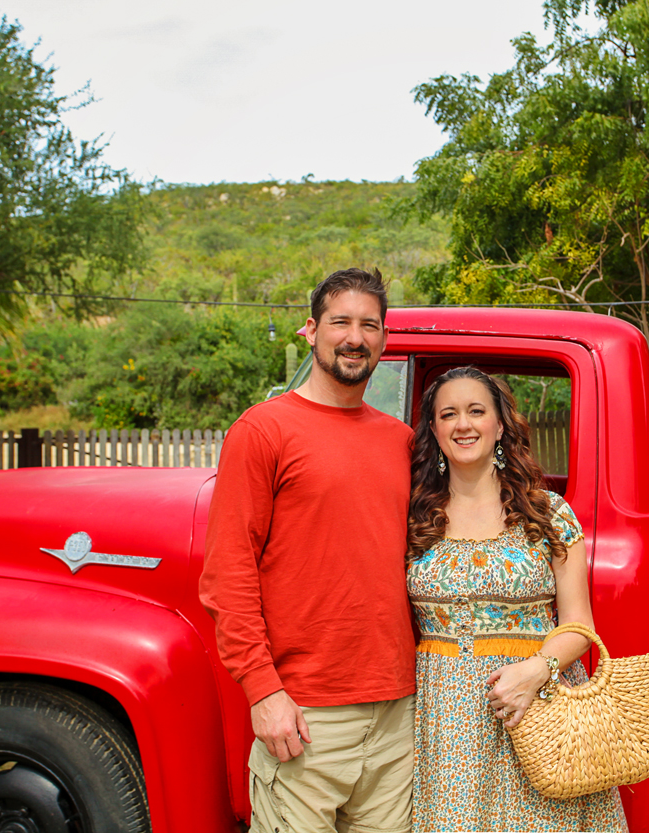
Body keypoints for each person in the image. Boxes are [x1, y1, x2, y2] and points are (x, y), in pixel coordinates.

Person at [199, 268, 416, 833]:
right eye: (340, 321)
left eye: (369, 325)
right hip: (303, 713)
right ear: (310, 331)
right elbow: (228, 572)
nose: (355, 337)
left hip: (397, 714)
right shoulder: (263, 430)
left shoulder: (400, 440)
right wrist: (263, 691)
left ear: (385, 341)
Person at [407, 366, 628, 832]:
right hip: (447, 724)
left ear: (500, 424)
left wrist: (535, 671)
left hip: (539, 711)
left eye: (476, 411)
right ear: (434, 429)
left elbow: (578, 625)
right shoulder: (414, 516)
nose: (463, 424)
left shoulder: (547, 512)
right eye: (448, 414)